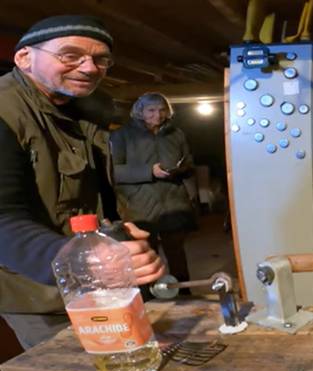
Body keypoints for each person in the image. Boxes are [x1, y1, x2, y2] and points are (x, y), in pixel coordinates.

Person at [0, 15, 166, 349]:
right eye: (70, 55)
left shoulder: (82, 113)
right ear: (24, 58)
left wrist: (115, 233)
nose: (90, 68)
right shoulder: (5, 112)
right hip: (40, 294)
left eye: (100, 59)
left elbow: (86, 197)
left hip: (100, 283)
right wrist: (83, 260)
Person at [110, 93, 197, 283]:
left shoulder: (176, 134)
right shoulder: (122, 135)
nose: (157, 115)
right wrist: (149, 171)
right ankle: (151, 300)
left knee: (178, 256)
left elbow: (189, 162)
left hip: (173, 204)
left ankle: (184, 294)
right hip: (139, 207)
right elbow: (114, 172)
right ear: (140, 111)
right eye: (151, 110)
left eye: (162, 110)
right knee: (145, 259)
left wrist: (180, 169)